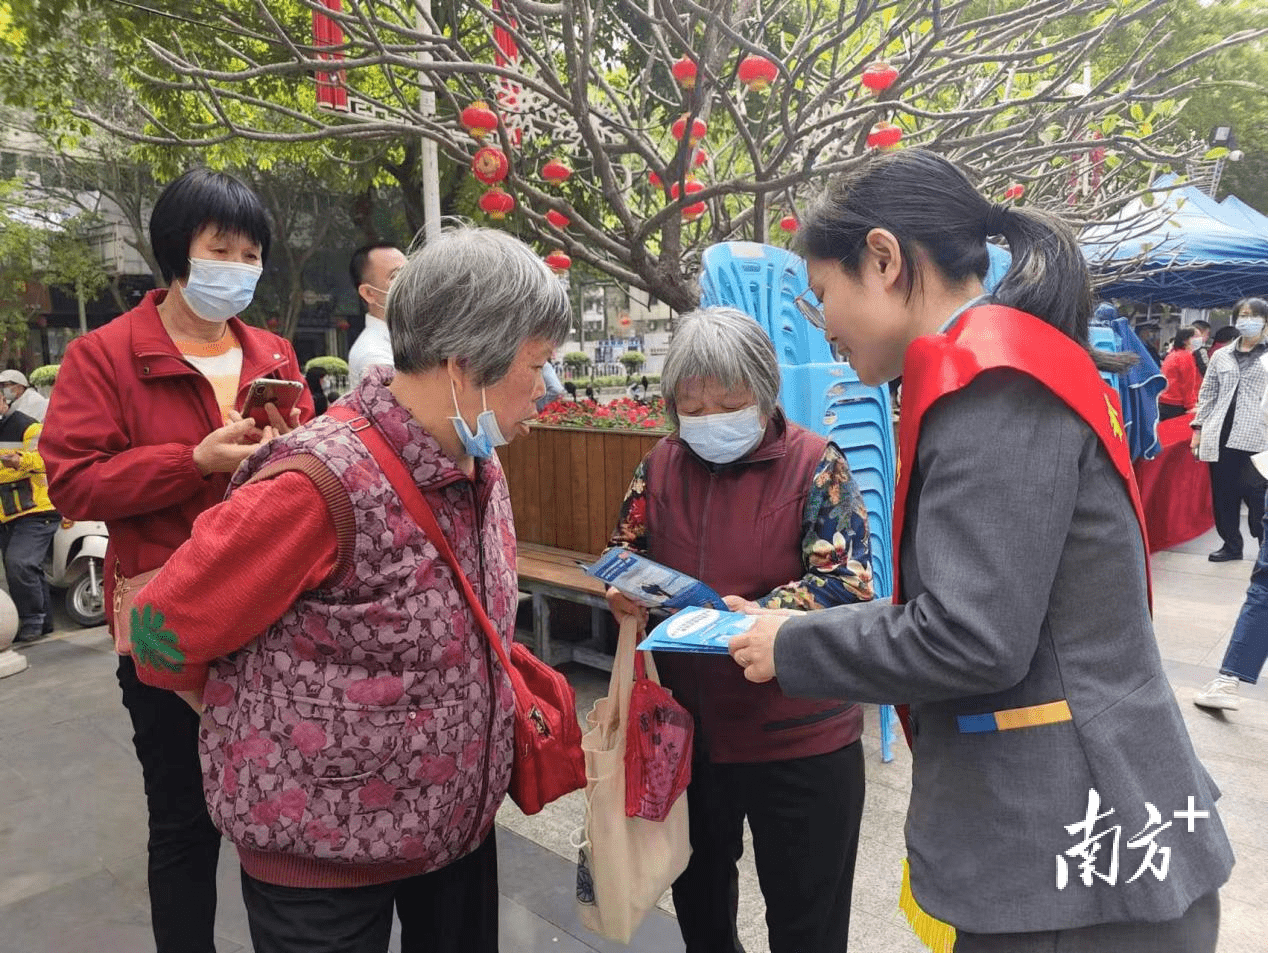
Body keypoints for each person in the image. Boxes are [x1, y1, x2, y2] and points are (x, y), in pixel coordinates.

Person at [727, 149, 1232, 952]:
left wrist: (792, 645)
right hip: (1079, 837)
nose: (822, 322)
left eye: (824, 293)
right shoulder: (997, 366)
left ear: (884, 260)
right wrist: (790, 627)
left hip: (1070, 861)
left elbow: (970, 634)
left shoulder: (990, 386)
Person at [128, 228, 569, 953]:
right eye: (539, 365)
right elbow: (160, 626)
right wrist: (254, 725)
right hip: (322, 867)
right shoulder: (319, 483)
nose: (551, 392)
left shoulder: (476, 459)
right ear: (464, 362)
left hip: (451, 832)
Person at [41, 168, 313, 953]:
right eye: (220, 247)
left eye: (251, 250)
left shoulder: (273, 350)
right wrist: (189, 461)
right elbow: (73, 480)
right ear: (177, 254)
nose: (239, 264)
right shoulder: (106, 356)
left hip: (271, 612)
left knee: (280, 808)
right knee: (184, 819)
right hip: (167, 618)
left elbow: (317, 459)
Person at [606, 307, 873, 953]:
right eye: (693, 404)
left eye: (728, 400)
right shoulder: (660, 464)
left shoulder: (816, 463)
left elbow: (849, 580)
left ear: (764, 391)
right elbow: (625, 545)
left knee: (806, 922)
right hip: (689, 732)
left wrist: (765, 610)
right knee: (700, 908)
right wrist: (624, 587)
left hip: (800, 734)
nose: (709, 417)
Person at [1191, 297, 1268, 562]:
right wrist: (1198, 430)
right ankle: (1231, 544)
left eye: (1253, 315)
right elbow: (1208, 392)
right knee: (1224, 492)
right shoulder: (1221, 355)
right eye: (1243, 315)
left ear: (1265, 322)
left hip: (1258, 435)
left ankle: (1263, 544)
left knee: (1257, 493)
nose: (1247, 320)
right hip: (1221, 433)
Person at [0, 389, 59, 642]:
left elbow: (47, 459)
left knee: (20, 563)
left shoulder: (27, 426)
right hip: (7, 516)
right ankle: (41, 621)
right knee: (23, 568)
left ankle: (32, 619)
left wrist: (19, 461)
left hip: (36, 510)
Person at [347, 242, 408, 388]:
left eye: (409, 272)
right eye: (395, 276)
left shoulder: (405, 339)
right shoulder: (374, 356)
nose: (409, 281)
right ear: (369, 293)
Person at [1158, 326, 1202, 421]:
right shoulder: (1186, 356)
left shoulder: (1173, 354)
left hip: (1164, 401)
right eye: (1196, 336)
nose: (1199, 339)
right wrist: (1191, 406)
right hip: (1176, 404)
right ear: (1186, 340)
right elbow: (1188, 384)